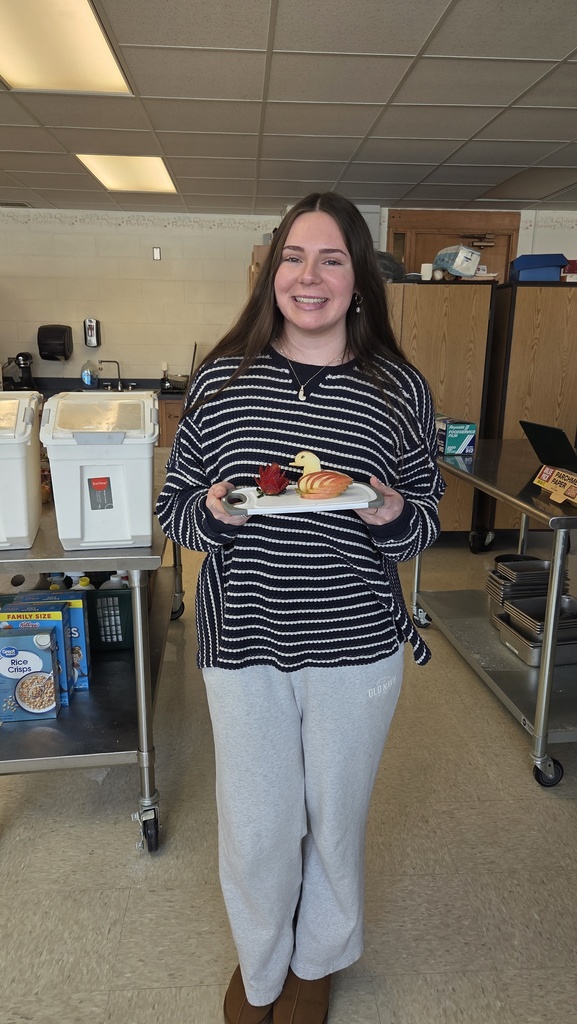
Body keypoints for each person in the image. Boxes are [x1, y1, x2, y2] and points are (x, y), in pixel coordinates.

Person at [156, 192, 445, 1024]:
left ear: (358, 280)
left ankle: (317, 957)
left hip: (357, 643)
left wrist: (391, 511)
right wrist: (213, 511)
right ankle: (261, 965)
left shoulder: (397, 388)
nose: (308, 276)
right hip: (242, 640)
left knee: (334, 816)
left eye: (330, 259)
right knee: (257, 824)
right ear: (270, 272)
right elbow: (176, 511)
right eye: (293, 257)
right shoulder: (222, 380)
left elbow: (423, 520)